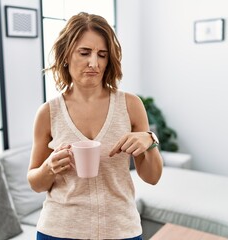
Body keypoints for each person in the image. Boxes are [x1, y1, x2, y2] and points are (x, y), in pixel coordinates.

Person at [27, 12, 163, 240]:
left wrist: (149, 141)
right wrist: (48, 167)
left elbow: (152, 177)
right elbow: (35, 183)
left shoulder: (130, 105)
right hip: (58, 230)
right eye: (84, 52)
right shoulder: (48, 113)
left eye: (102, 55)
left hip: (121, 229)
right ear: (66, 55)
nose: (94, 63)